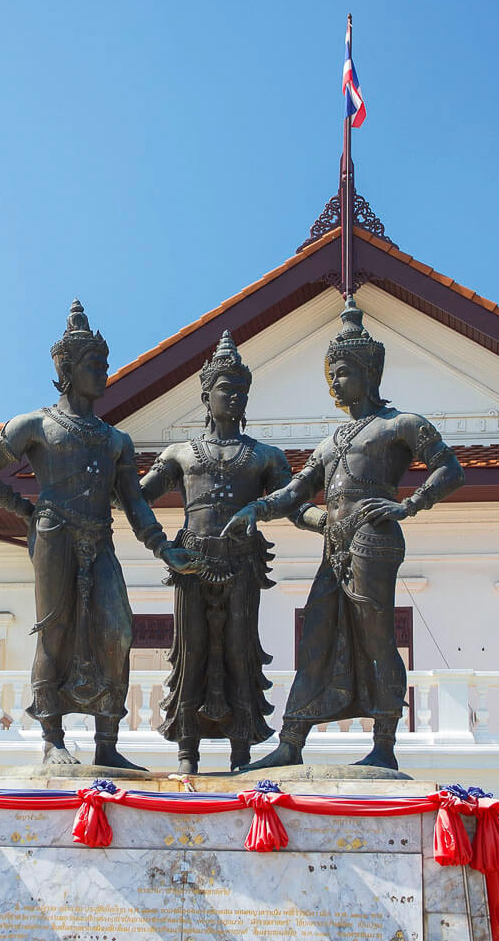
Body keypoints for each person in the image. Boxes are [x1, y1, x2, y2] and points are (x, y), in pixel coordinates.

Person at [223, 294, 465, 771]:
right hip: (335, 547)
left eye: (345, 371)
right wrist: (257, 507)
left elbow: (449, 470)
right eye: (331, 372)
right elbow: (296, 492)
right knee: (315, 635)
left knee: (376, 636)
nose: (336, 380)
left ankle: (385, 744)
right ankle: (291, 742)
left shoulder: (400, 425)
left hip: (374, 540)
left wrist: (408, 505)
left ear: (369, 373)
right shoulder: (330, 442)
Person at [0, 300, 200, 770]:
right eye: (95, 365)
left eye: (105, 364)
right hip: (54, 536)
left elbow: (134, 502)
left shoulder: (116, 441)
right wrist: (25, 511)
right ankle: (52, 738)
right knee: (56, 632)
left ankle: (106, 741)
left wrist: (163, 547)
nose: (104, 373)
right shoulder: (35, 425)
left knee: (116, 631)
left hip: (101, 539)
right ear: (68, 369)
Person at [140, 331, 292, 773]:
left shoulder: (264, 455)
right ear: (207, 395)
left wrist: (269, 506)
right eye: (227, 389)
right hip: (191, 560)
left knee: (240, 651)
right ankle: (187, 750)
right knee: (192, 651)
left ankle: (241, 752)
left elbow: (291, 499)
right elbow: (137, 497)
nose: (236, 397)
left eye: (242, 391)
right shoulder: (180, 453)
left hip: (242, 561)